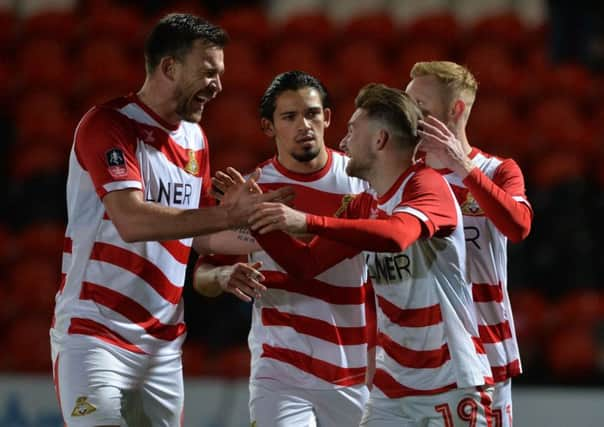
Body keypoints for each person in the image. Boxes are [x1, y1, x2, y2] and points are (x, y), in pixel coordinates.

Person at [49, 13, 291, 427]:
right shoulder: (108, 124)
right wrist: (224, 213)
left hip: (163, 343)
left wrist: (284, 227)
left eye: (220, 73)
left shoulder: (195, 139)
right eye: (208, 72)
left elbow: (204, 235)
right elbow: (132, 220)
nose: (218, 85)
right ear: (168, 67)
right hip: (95, 333)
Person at [245, 83, 494, 426]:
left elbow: (397, 236)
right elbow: (305, 264)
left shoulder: (428, 186)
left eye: (351, 130)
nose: (343, 142)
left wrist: (309, 221)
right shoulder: (364, 204)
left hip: (452, 383)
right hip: (391, 390)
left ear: (379, 140)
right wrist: (254, 217)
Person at [193, 70, 375, 427]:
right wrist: (224, 274)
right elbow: (201, 275)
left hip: (353, 369)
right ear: (268, 126)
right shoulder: (249, 192)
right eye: (289, 117)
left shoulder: (362, 183)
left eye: (311, 113)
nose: (303, 125)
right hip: (279, 369)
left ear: (327, 118)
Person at [405, 60, 533, 427]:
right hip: (416, 349)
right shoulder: (401, 178)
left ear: (456, 109)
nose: (410, 117)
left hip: (486, 346)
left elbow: (518, 226)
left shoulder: (497, 171)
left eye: (421, 108)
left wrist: (464, 169)